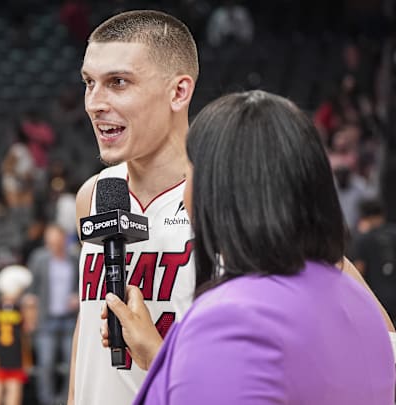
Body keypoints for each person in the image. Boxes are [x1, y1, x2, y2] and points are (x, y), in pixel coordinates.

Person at [69, 10, 396, 405]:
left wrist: (161, 356)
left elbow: (376, 331)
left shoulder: (239, 195)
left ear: (179, 91)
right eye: (89, 83)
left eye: (117, 83)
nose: (95, 103)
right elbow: (88, 335)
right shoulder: (94, 194)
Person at [109, 90, 395, 404]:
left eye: (190, 171)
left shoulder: (231, 318)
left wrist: (162, 361)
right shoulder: (357, 299)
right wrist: (160, 356)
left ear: (221, 187)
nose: (183, 191)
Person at [27, 223, 79, 405]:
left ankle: (66, 400)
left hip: (69, 319)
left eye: (57, 241)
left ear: (64, 240)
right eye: (50, 241)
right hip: (46, 319)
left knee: (72, 365)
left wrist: (78, 297)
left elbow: (83, 286)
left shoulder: (74, 258)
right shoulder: (39, 259)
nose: (54, 245)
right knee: (45, 365)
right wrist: (31, 315)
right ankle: (47, 401)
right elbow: (31, 290)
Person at [0, 265, 37, 405]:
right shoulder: (20, 306)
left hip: (4, 352)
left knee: (0, 385)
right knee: (9, 386)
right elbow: (30, 327)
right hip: (14, 353)